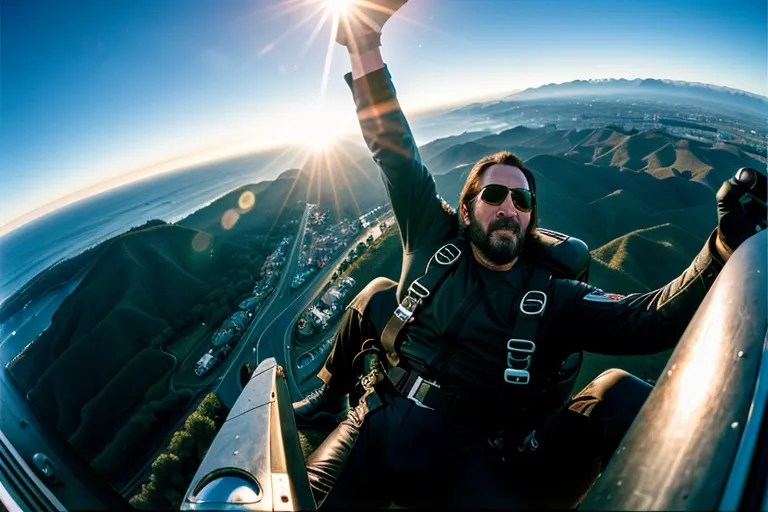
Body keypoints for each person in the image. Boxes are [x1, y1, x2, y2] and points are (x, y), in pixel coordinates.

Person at [292, 1, 767, 508]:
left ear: (530, 218)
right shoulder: (431, 234)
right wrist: (364, 44)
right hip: (378, 422)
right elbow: (392, 147)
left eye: (521, 201)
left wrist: (720, 249)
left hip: (472, 459)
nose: (508, 208)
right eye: (494, 196)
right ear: (467, 207)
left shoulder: (553, 295)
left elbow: (647, 319)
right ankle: (326, 401)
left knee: (618, 392)